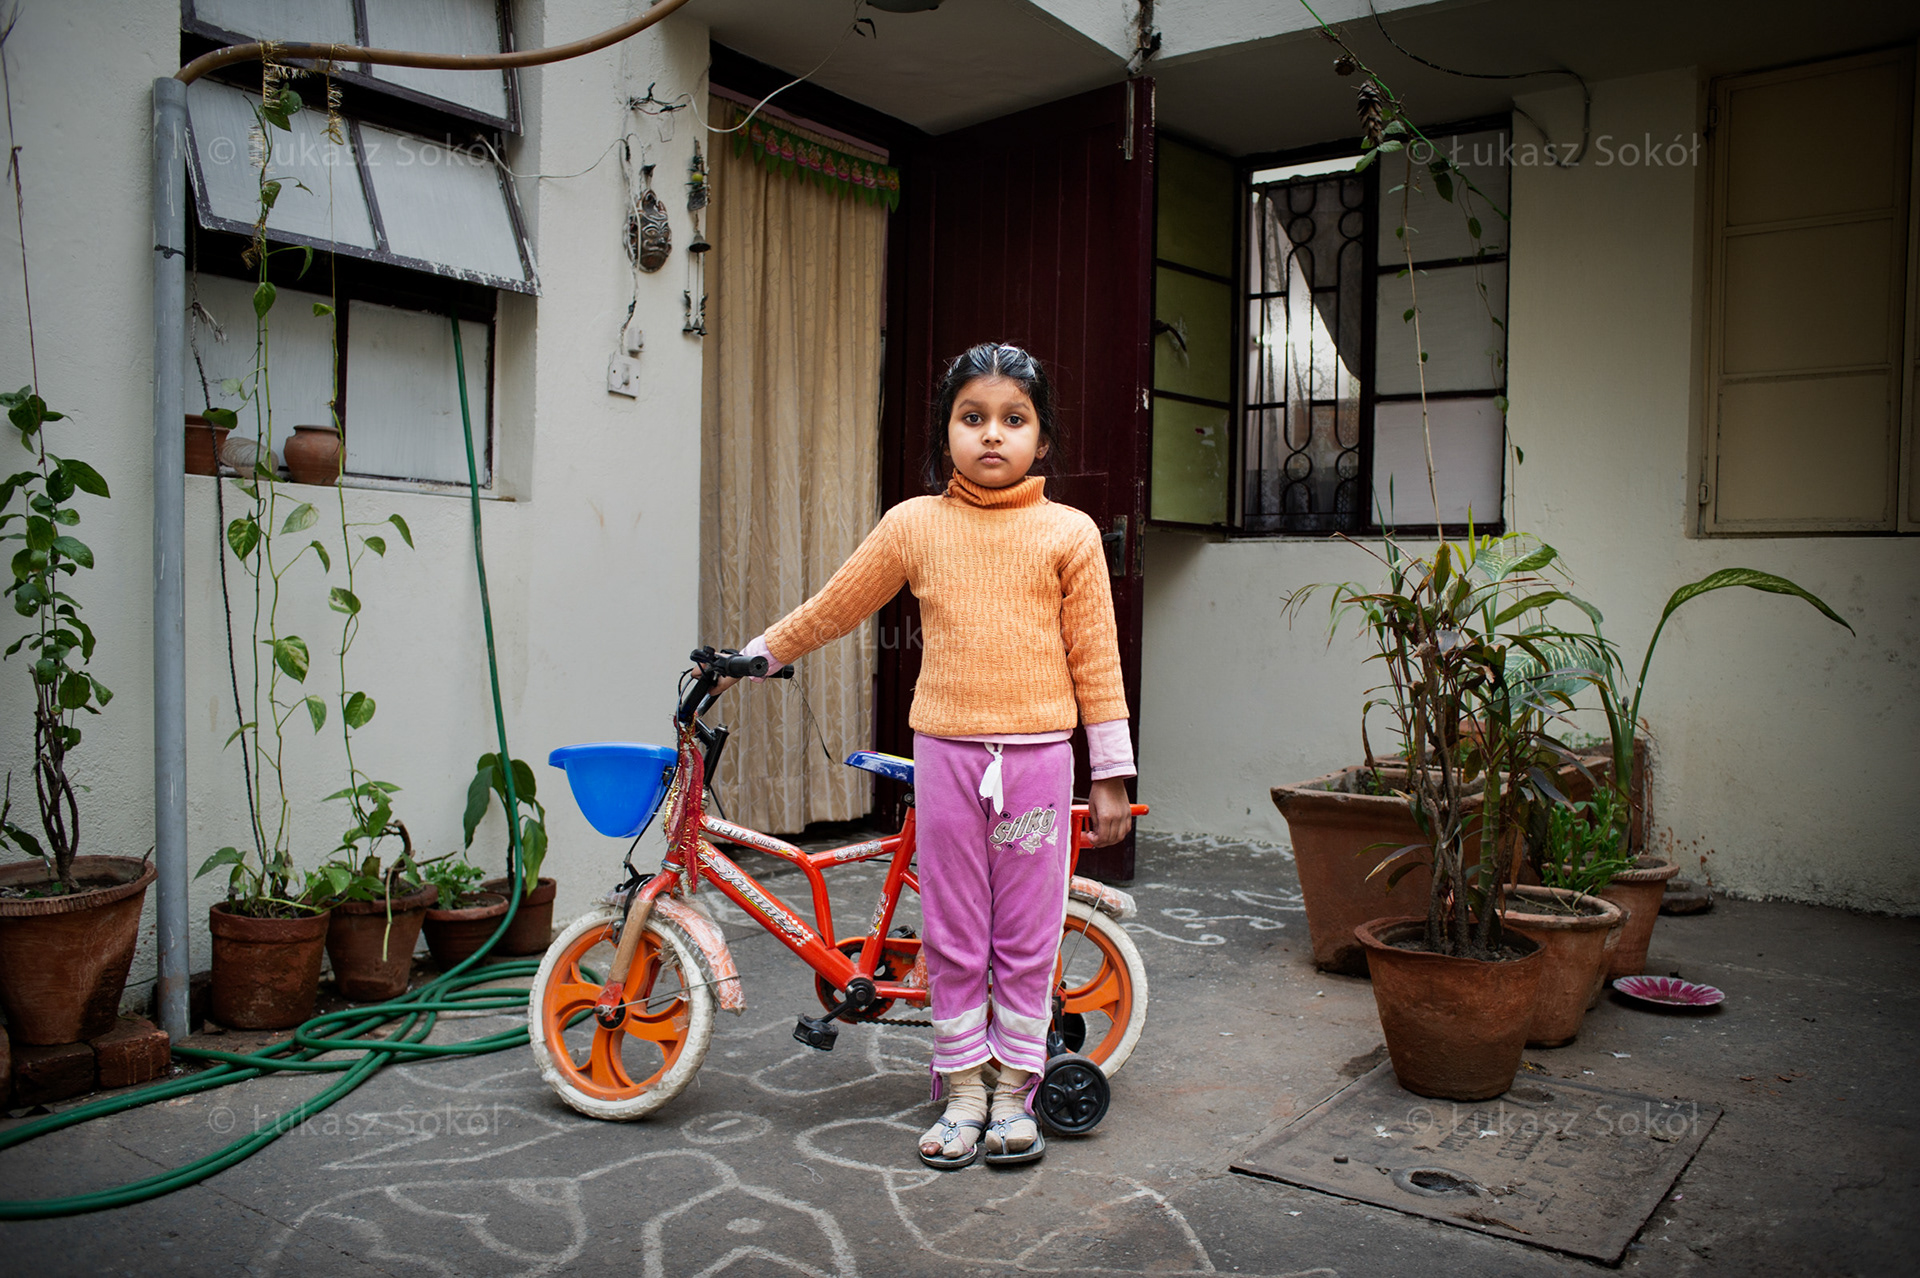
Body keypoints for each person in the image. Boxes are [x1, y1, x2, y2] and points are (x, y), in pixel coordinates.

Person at [707, 342, 1134, 1170]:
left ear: (1043, 440)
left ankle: (1015, 1089)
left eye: (1014, 419)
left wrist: (1111, 774)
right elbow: (834, 607)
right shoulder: (915, 525)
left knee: (1025, 935)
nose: (992, 436)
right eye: (972, 418)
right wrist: (753, 658)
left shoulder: (1069, 534)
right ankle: (964, 1089)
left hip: (1040, 763)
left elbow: (1099, 660)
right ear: (947, 433)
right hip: (945, 757)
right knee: (954, 934)